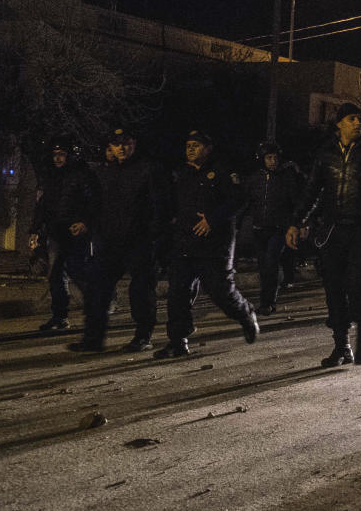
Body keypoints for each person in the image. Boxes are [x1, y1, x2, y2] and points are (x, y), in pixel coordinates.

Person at [286, 102, 361, 367]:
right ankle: (341, 346)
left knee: (359, 283)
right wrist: (297, 221)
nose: (358, 123)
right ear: (339, 123)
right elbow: (311, 191)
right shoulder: (326, 154)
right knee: (334, 287)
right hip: (333, 230)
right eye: (352, 118)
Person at [155, 130, 259, 358]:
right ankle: (178, 341)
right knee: (178, 294)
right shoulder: (181, 174)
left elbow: (239, 200)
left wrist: (213, 219)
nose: (191, 149)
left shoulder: (222, 171)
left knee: (221, 292)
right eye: (188, 145)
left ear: (208, 148)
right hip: (185, 242)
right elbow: (170, 203)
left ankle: (244, 313)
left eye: (196, 145)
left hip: (215, 244)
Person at [82, 129, 169, 352]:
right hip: (110, 242)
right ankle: (93, 339)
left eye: (126, 143)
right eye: (116, 144)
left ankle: (143, 336)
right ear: (110, 147)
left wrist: (153, 236)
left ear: (134, 144)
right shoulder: (105, 172)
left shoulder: (148, 170)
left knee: (140, 291)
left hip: (139, 242)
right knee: (98, 290)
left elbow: (161, 206)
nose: (121, 148)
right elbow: (96, 205)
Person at [30, 138, 101, 344]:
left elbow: (94, 202)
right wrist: (34, 231)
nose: (58, 158)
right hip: (56, 232)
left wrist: (85, 222)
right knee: (55, 275)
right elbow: (41, 206)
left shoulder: (82, 175)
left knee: (78, 271)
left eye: (62, 154)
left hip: (76, 232)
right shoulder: (50, 177)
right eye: (55, 154)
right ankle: (60, 316)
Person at [243, 143, 304, 316]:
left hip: (279, 229)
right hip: (259, 229)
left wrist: (297, 224)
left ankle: (268, 302)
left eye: (275, 157)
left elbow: (296, 202)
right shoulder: (255, 179)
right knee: (263, 266)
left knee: (271, 263)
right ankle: (266, 298)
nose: (272, 161)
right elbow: (245, 200)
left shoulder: (286, 178)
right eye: (269, 157)